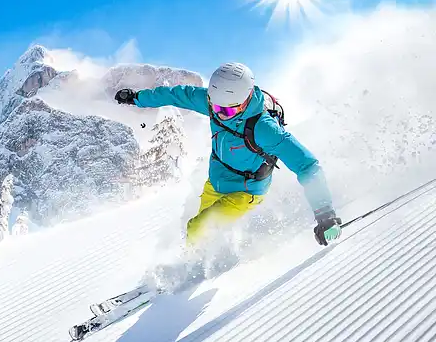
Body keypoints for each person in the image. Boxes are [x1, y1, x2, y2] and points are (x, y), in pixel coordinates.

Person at [115, 62, 342, 247]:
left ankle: (193, 268)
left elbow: (306, 165)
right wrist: (137, 98)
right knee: (199, 229)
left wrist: (325, 214)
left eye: (228, 109)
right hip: (215, 182)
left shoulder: (264, 129)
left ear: (245, 101)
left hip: (245, 191)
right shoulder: (215, 104)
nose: (220, 114)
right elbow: (176, 95)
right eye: (215, 107)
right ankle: (201, 255)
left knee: (198, 227)